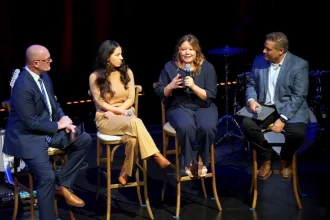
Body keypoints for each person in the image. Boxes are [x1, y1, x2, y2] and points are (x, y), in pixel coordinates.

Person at [2, 44, 92, 220]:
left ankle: (62, 183)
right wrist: (58, 125)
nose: (51, 61)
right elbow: (30, 123)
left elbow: (54, 104)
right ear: (35, 63)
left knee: (84, 139)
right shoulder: (22, 87)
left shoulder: (44, 77)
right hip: (27, 137)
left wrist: (65, 121)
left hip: (48, 131)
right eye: (47, 60)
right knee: (47, 178)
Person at [89, 40, 170, 186]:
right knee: (136, 122)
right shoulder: (95, 77)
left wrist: (121, 111)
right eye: (117, 55)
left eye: (121, 54)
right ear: (107, 57)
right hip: (106, 117)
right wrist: (116, 111)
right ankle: (155, 155)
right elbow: (100, 102)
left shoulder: (127, 73)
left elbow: (131, 98)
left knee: (133, 136)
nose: (121, 58)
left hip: (125, 114)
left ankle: (125, 171)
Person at [241, 32, 309, 180]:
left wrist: (283, 119)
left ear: (281, 51)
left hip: (289, 107)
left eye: (268, 49)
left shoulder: (299, 65)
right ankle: (267, 157)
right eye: (264, 47)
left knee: (297, 133)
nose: (264, 51)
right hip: (266, 106)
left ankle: (285, 158)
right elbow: (251, 84)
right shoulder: (259, 60)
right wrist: (251, 99)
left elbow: (299, 96)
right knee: (247, 124)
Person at [154, 34, 218, 178]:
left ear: (197, 51)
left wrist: (194, 87)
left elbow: (210, 95)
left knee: (206, 127)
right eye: (183, 49)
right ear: (178, 50)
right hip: (179, 106)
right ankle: (188, 160)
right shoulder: (170, 67)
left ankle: (202, 158)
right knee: (185, 126)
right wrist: (170, 86)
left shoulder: (207, 67)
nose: (187, 52)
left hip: (203, 105)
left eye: (191, 49)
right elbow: (160, 92)